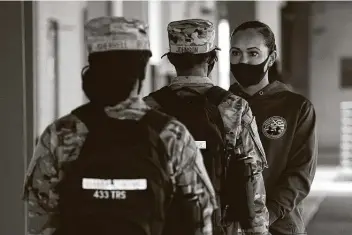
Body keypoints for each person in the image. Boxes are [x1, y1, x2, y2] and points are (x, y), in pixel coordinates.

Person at [22, 16, 217, 235]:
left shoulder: (59, 135)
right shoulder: (172, 136)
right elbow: (199, 219)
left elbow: (39, 222)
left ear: (92, 67)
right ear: (142, 70)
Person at [144, 19, 270, 235]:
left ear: (172, 60)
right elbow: (251, 175)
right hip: (220, 225)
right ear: (212, 59)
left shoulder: (148, 108)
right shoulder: (235, 107)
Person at [229, 20, 318, 235]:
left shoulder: (296, 107)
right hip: (228, 226)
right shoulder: (218, 105)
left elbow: (300, 174)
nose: (243, 61)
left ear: (271, 58)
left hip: (279, 226)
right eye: (235, 53)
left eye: (253, 53)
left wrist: (267, 215)